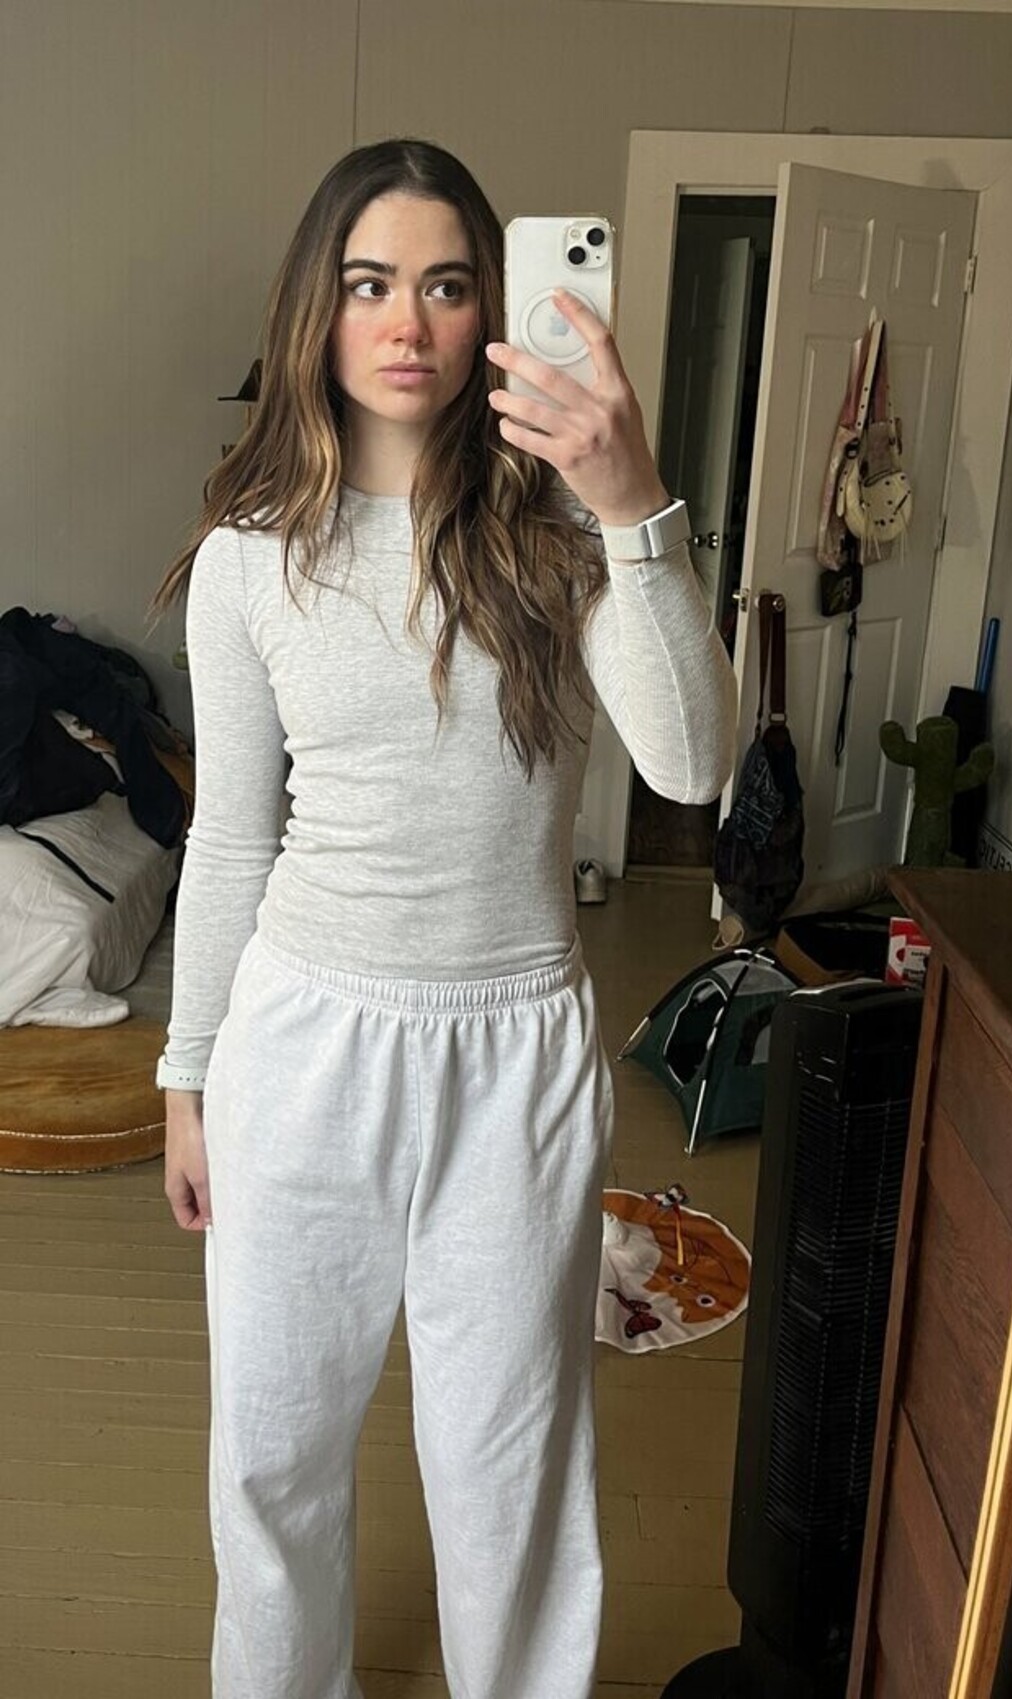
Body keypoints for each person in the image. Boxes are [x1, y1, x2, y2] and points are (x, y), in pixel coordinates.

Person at [153, 137, 736, 1699]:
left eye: (446, 284)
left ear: (493, 312)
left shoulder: (565, 538)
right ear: (317, 310)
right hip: (301, 1045)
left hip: (515, 1053)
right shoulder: (249, 558)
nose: (405, 320)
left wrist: (635, 500)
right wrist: (186, 1078)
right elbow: (231, 836)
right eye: (368, 283)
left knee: (509, 1465)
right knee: (271, 1457)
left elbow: (694, 766)